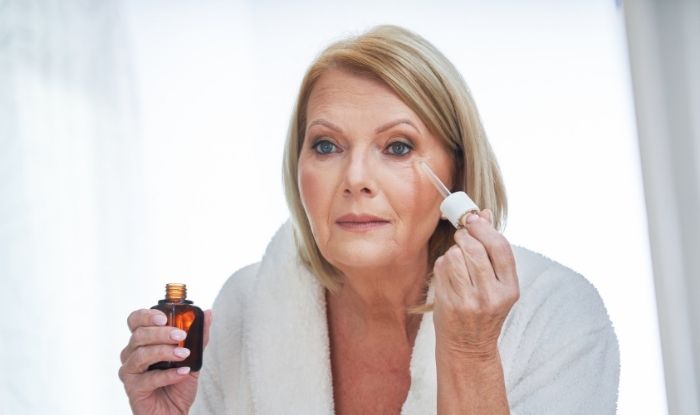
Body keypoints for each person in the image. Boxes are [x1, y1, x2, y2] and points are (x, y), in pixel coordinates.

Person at [118, 25, 619, 414]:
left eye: (397, 147)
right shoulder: (248, 308)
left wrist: (471, 352)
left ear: (457, 172)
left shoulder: (557, 318)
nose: (355, 177)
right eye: (327, 146)